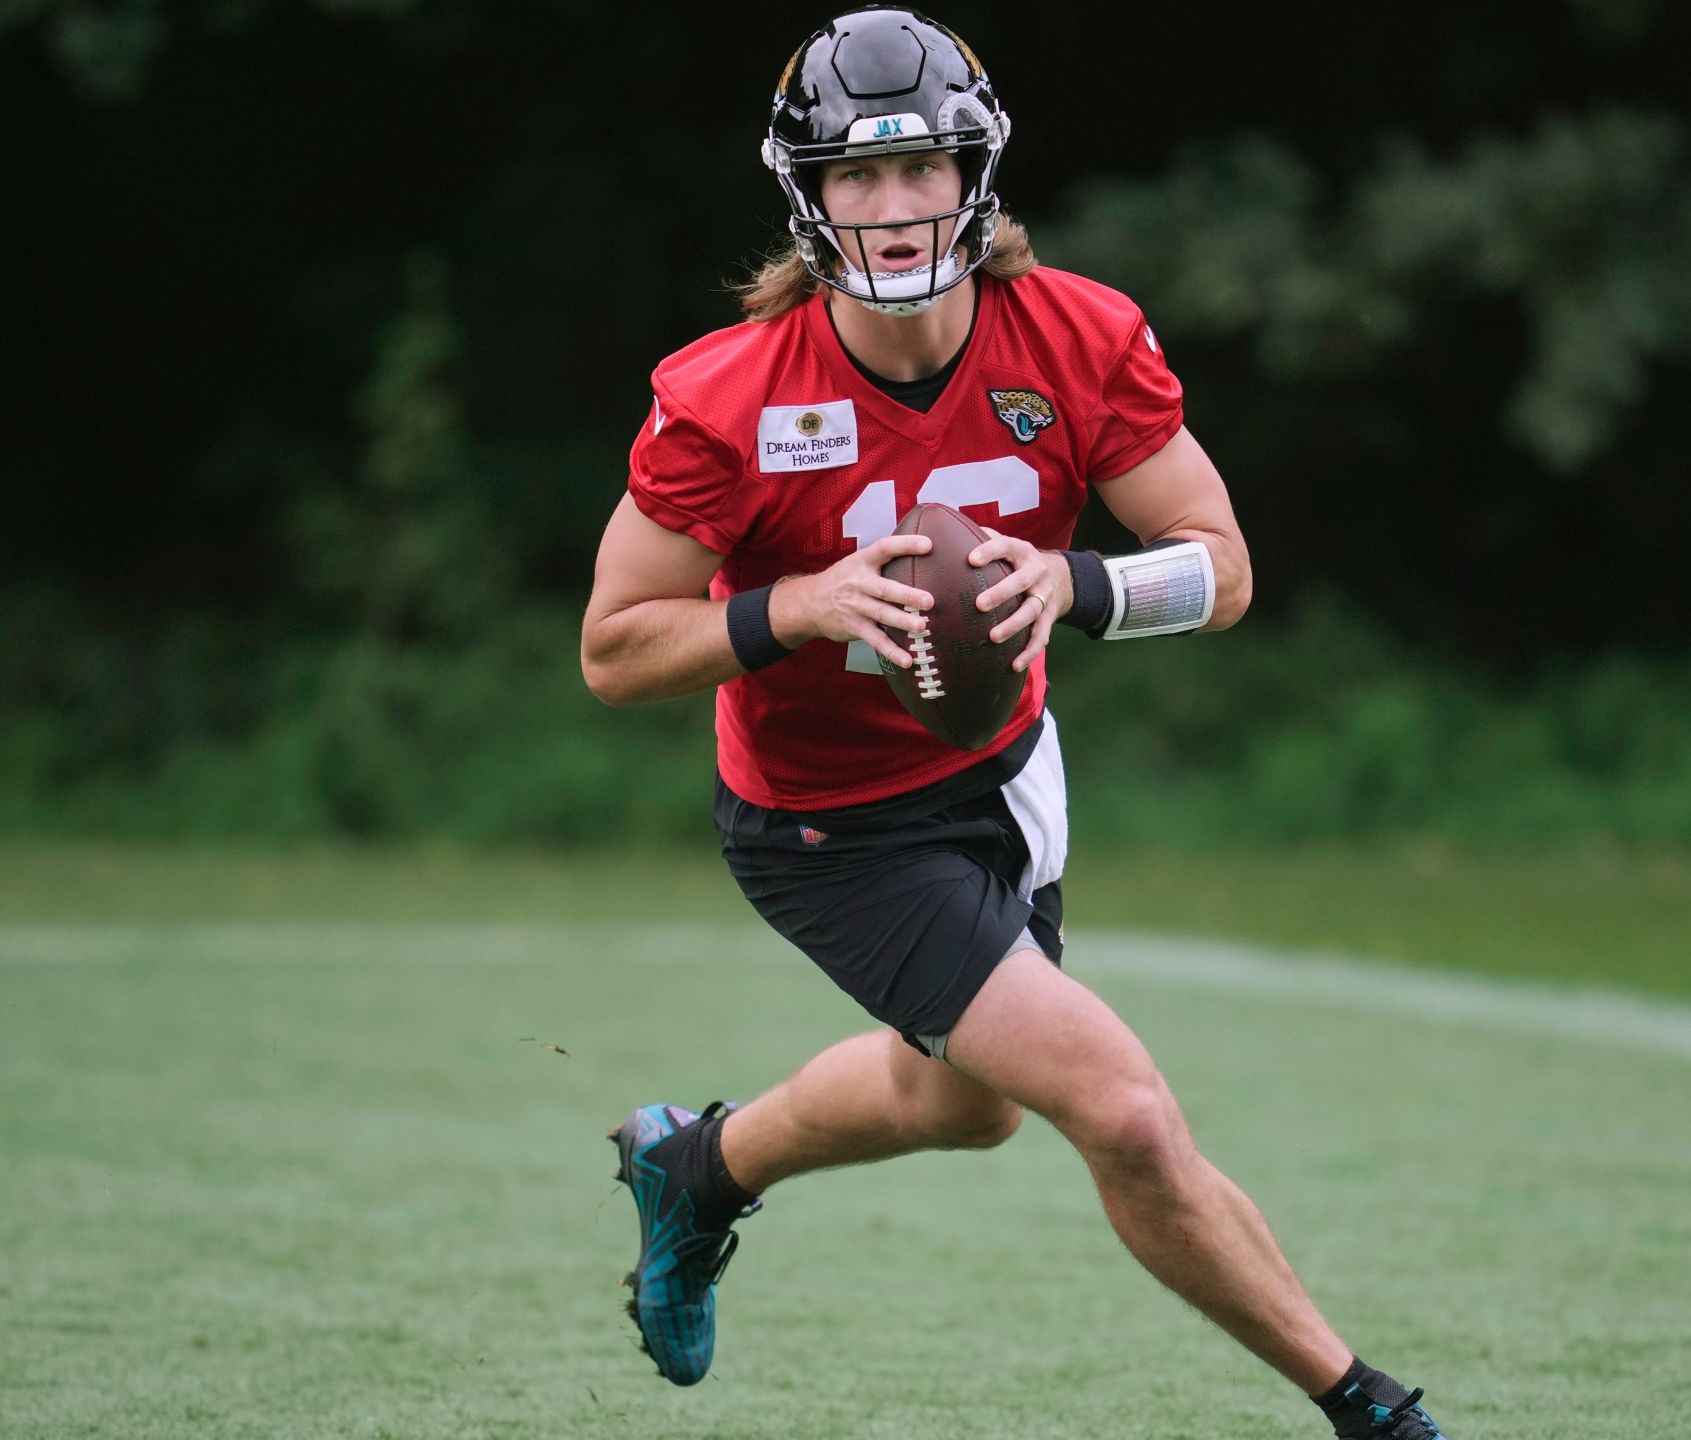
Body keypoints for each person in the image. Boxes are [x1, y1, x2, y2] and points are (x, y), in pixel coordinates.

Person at [577, 10, 1451, 1438]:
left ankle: (702, 1168)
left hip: (1006, 769)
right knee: (1120, 1111)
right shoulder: (730, 393)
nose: (894, 203)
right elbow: (615, 652)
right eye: (856, 177)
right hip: (835, 827)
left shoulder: (1078, 336)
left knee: (964, 1105)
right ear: (805, 193)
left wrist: (1076, 580)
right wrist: (798, 608)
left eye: (920, 165)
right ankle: (1369, 1408)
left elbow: (1223, 568)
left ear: (973, 173)